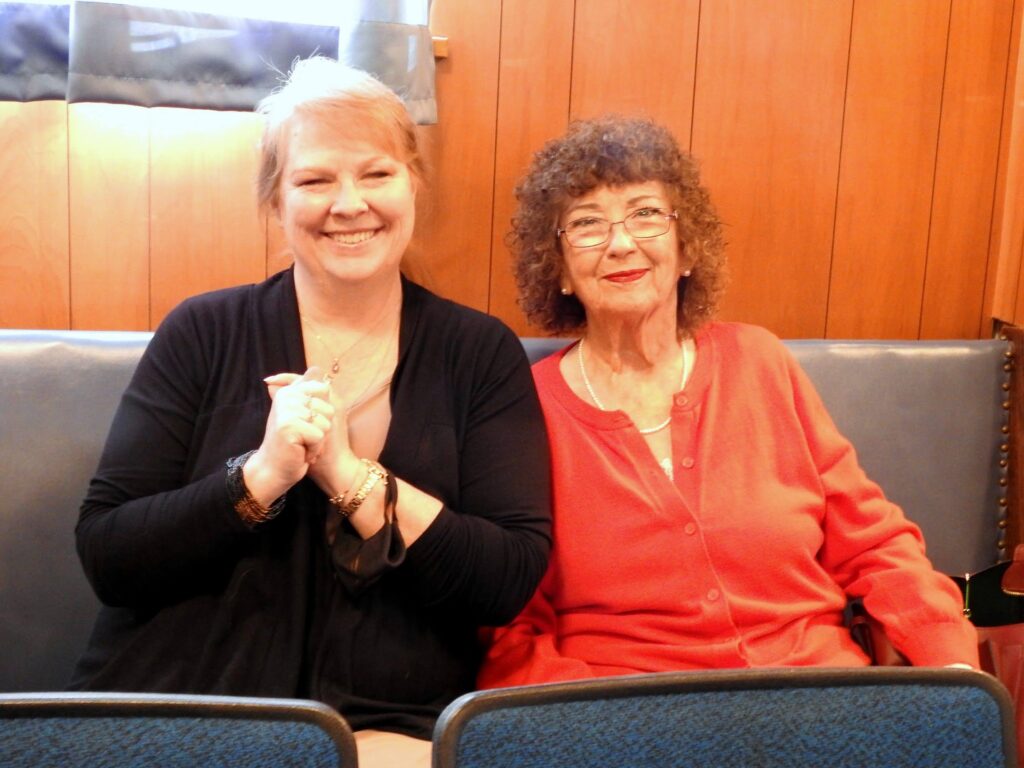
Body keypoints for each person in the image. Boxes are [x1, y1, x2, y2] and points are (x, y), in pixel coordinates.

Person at [70, 57, 551, 766]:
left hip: (386, 726)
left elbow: (505, 578)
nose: (349, 204)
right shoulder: (202, 331)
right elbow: (108, 555)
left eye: (376, 174)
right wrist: (259, 478)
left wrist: (353, 480)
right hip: (181, 701)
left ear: (413, 182)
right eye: (315, 180)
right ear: (275, 199)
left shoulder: (477, 352)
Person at [477, 115, 978, 690]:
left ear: (686, 248)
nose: (621, 243)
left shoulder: (759, 362)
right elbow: (511, 621)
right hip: (629, 710)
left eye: (646, 214)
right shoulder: (528, 407)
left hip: (815, 693)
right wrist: (587, 720)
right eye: (587, 223)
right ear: (559, 269)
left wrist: (950, 662)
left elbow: (875, 544)